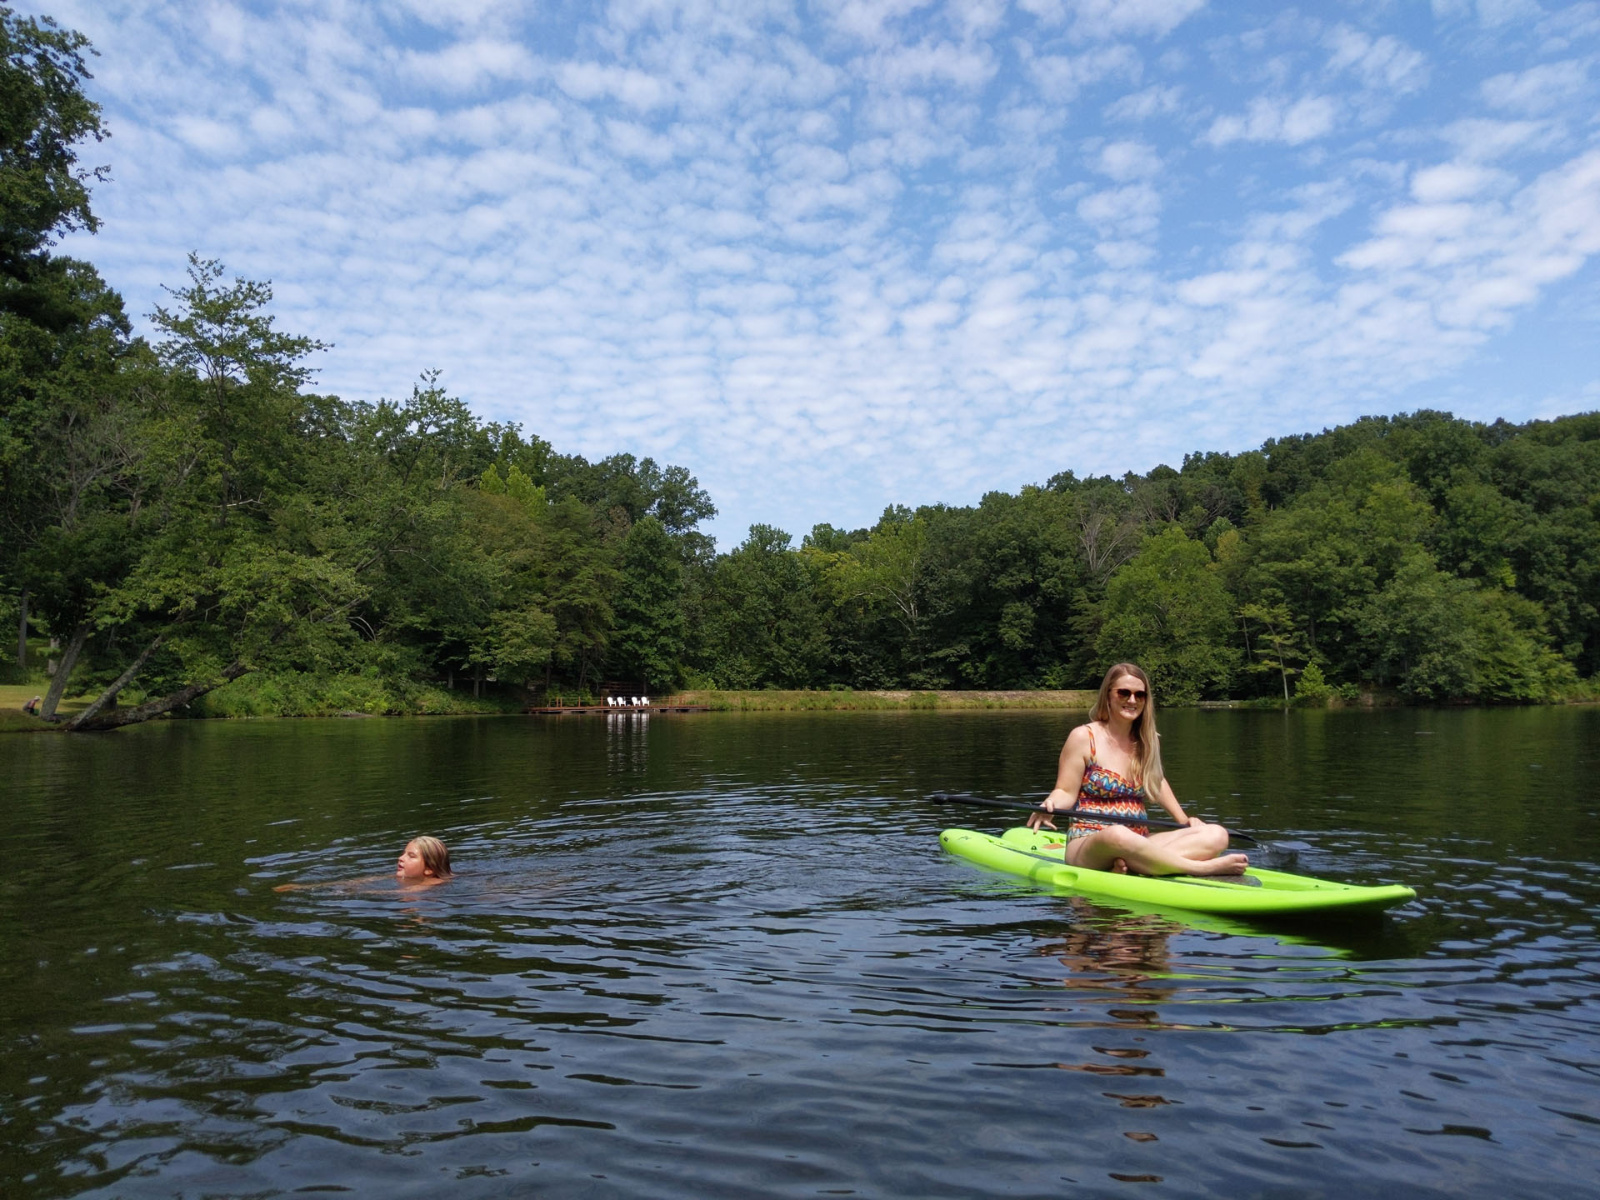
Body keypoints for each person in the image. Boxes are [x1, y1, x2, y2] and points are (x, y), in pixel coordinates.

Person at [1027, 663, 1248, 877]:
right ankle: (1200, 868)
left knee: (1217, 834)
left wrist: (1184, 819)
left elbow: (1157, 782)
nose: (1132, 700)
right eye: (1124, 693)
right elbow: (1065, 791)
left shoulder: (1148, 741)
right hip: (1090, 841)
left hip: (1139, 839)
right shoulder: (1083, 737)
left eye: (1139, 695)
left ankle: (1136, 865)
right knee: (1117, 835)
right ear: (1108, 695)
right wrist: (1050, 805)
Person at [274, 835, 453, 892]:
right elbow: (359, 881)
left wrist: (348, 894)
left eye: (410, 856)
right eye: (403, 853)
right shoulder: (404, 877)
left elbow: (389, 894)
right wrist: (300, 887)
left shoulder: (430, 885)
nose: (401, 858)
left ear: (429, 870)